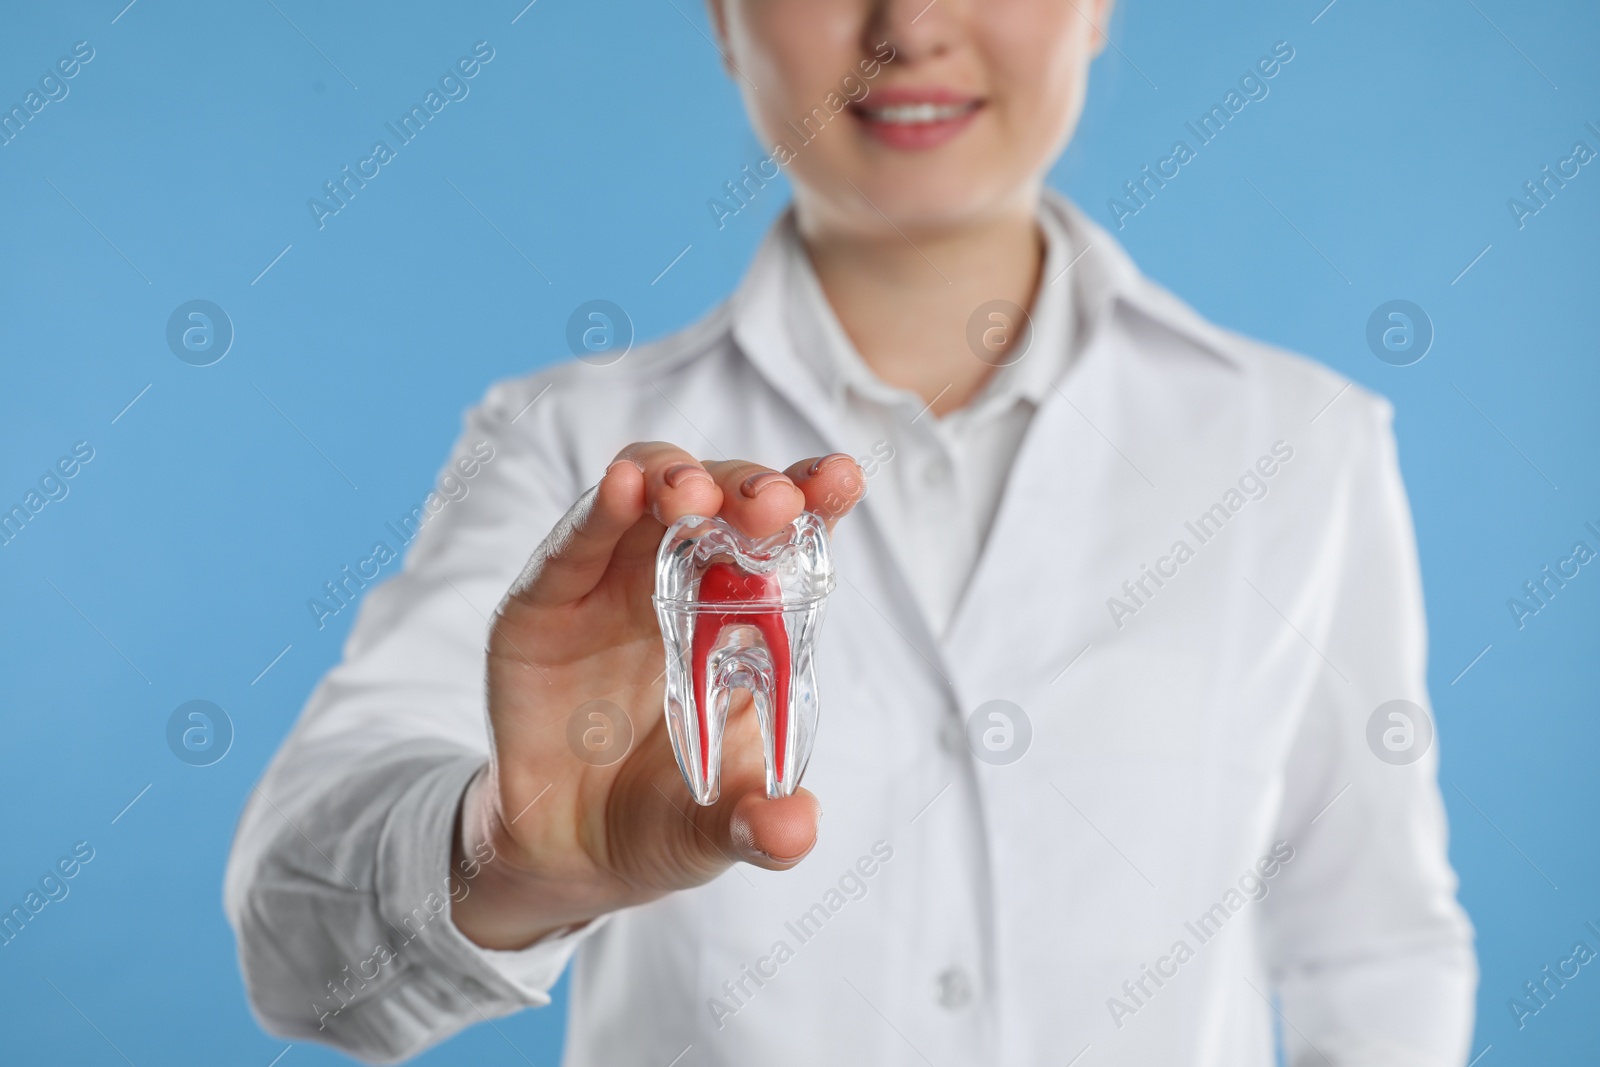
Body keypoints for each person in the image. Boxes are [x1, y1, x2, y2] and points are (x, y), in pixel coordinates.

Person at [225, 1, 1477, 1063]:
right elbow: (290, 941)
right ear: (721, 17)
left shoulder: (1300, 440)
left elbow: (1370, 944)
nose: (910, 27)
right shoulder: (571, 446)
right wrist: (506, 856)